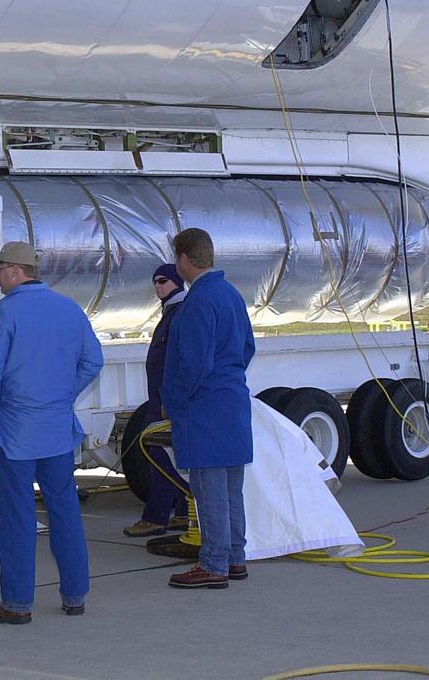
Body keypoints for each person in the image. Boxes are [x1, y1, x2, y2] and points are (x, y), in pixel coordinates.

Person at [0, 241, 103, 624]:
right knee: (65, 511)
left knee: (16, 517)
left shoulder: (3, 313)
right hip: (57, 428)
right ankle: (75, 596)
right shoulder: (69, 309)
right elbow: (93, 360)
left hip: (16, 429)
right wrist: (63, 395)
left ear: (15, 270)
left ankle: (16, 603)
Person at [162, 228, 255, 589]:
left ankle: (213, 564)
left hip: (204, 410)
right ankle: (234, 557)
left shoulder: (198, 301)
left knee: (209, 489)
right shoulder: (230, 295)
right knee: (232, 490)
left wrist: (174, 400)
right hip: (231, 403)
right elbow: (247, 348)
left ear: (184, 259)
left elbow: (192, 363)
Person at [124, 263, 190, 538]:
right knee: (168, 456)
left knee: (159, 455)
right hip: (162, 397)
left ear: (177, 281)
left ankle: (157, 515)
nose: (158, 287)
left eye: (163, 281)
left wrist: (170, 399)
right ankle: (182, 511)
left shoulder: (180, 313)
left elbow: (179, 360)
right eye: (155, 282)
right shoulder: (172, 312)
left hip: (166, 400)